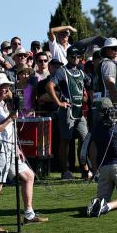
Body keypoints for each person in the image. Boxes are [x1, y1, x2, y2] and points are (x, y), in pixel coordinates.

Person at [0, 73, 49, 233]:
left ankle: (29, 214)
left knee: (28, 176)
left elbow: (9, 129)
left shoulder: (2, 104)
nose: (7, 90)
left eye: (7, 87)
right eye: (4, 87)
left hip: (8, 147)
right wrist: (10, 118)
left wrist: (16, 147)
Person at [85, 97, 117, 217]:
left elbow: (92, 150)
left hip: (104, 168)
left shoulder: (96, 128)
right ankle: (107, 206)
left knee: (102, 198)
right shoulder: (116, 127)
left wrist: (95, 169)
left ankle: (98, 204)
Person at [47, 46, 91, 180]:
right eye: (73, 57)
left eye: (78, 57)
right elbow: (49, 86)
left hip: (80, 111)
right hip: (67, 111)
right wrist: (59, 103)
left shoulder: (81, 72)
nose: (76, 59)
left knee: (85, 138)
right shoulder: (62, 71)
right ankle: (65, 170)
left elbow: (90, 85)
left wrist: (89, 98)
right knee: (65, 140)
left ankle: (84, 168)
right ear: (68, 57)